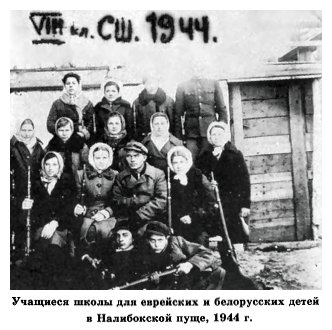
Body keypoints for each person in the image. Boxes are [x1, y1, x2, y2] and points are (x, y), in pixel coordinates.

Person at [21, 151, 77, 289]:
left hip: (61, 227)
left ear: (60, 166)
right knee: (42, 252)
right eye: (47, 164)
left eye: (54, 164)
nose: (50, 168)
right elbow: (32, 214)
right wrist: (24, 206)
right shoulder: (34, 185)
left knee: (53, 249)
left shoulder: (67, 182)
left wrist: (55, 222)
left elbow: (69, 209)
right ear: (42, 166)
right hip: (41, 227)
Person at [197, 121, 251, 244]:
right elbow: (200, 177)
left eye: (220, 134)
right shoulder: (204, 156)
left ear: (226, 136)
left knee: (234, 230)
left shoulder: (235, 154)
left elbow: (244, 180)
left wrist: (245, 204)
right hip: (213, 198)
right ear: (209, 137)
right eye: (214, 134)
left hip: (233, 199)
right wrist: (209, 183)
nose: (217, 137)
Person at [138, 221, 225, 290]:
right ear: (147, 240)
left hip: (191, 280)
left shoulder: (177, 242)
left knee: (218, 271)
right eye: (152, 241)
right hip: (171, 285)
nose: (156, 244)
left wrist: (190, 264)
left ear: (167, 238)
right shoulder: (145, 251)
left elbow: (208, 253)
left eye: (160, 240)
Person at [112, 141, 167, 229]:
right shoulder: (121, 176)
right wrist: (136, 201)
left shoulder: (157, 174)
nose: (132, 160)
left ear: (144, 157)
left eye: (136, 156)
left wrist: (140, 215)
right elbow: (116, 199)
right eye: (129, 156)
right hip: (127, 217)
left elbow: (162, 200)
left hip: (152, 217)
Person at [167, 146, 216, 244]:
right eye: (175, 163)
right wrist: (180, 216)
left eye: (182, 162)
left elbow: (206, 201)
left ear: (187, 162)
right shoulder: (169, 179)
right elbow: (170, 203)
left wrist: (192, 216)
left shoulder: (197, 176)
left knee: (199, 241)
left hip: (197, 219)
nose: (178, 166)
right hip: (177, 220)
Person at [174, 75, 228, 162]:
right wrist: (179, 138)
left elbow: (222, 110)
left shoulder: (214, 83)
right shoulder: (182, 86)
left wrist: (221, 133)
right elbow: (177, 114)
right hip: (191, 135)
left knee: (211, 162)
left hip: (210, 134)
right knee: (190, 162)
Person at [74, 143, 118, 248]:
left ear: (109, 158)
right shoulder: (82, 174)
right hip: (87, 212)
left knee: (104, 231)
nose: (101, 161)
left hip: (108, 214)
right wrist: (78, 206)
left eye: (104, 157)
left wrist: (106, 212)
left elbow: (117, 200)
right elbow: (76, 196)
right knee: (86, 232)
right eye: (97, 157)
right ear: (92, 158)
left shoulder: (115, 175)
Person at [10, 119, 45, 251]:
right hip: (17, 191)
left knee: (33, 221)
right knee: (18, 222)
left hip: (34, 191)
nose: (26, 134)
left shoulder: (38, 148)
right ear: (19, 130)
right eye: (23, 130)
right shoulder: (12, 147)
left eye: (29, 130)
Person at [80, 220, 140, 289]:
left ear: (133, 238)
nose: (120, 239)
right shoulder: (109, 250)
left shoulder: (137, 256)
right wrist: (89, 259)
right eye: (118, 236)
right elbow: (85, 250)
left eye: (125, 235)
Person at [47, 72, 94, 142]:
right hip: (61, 138)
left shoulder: (87, 103)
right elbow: (50, 124)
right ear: (64, 86)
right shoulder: (57, 103)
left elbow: (91, 123)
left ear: (78, 85)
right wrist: (62, 132)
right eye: (68, 83)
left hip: (80, 137)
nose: (71, 86)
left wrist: (83, 133)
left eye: (74, 83)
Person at [133, 74, 175, 141]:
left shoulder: (168, 101)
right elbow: (136, 124)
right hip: (145, 138)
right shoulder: (138, 102)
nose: (152, 86)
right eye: (149, 83)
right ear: (144, 84)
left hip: (165, 138)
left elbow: (173, 122)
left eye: (154, 83)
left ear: (158, 83)